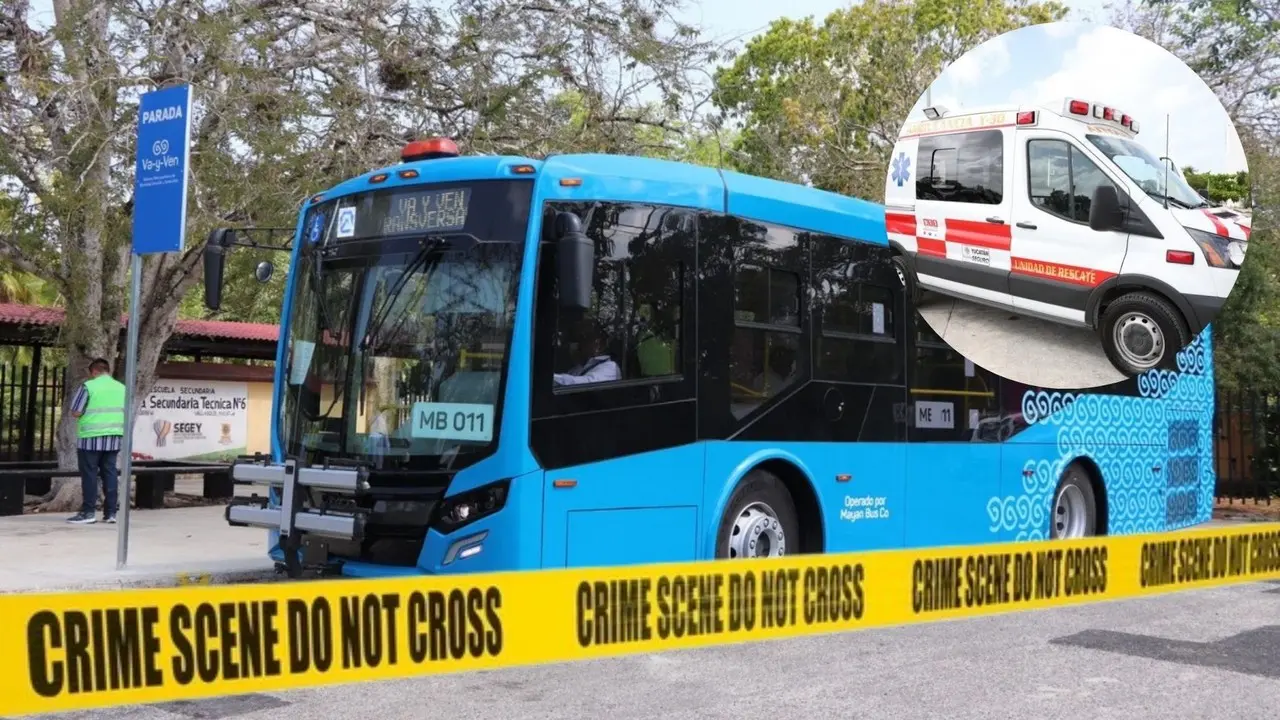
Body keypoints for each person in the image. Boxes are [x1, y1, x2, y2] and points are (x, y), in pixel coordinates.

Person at [66, 358, 127, 525]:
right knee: (110, 473)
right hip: (114, 437)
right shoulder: (122, 388)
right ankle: (111, 514)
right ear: (108, 370)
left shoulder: (89, 386)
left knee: (90, 475)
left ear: (93, 372)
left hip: (90, 438)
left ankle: (88, 512)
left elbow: (76, 412)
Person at [553, 320, 620, 386]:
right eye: (575, 339)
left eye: (583, 337)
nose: (577, 344)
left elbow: (582, 384)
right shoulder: (578, 368)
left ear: (599, 344)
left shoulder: (610, 367)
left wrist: (548, 378)